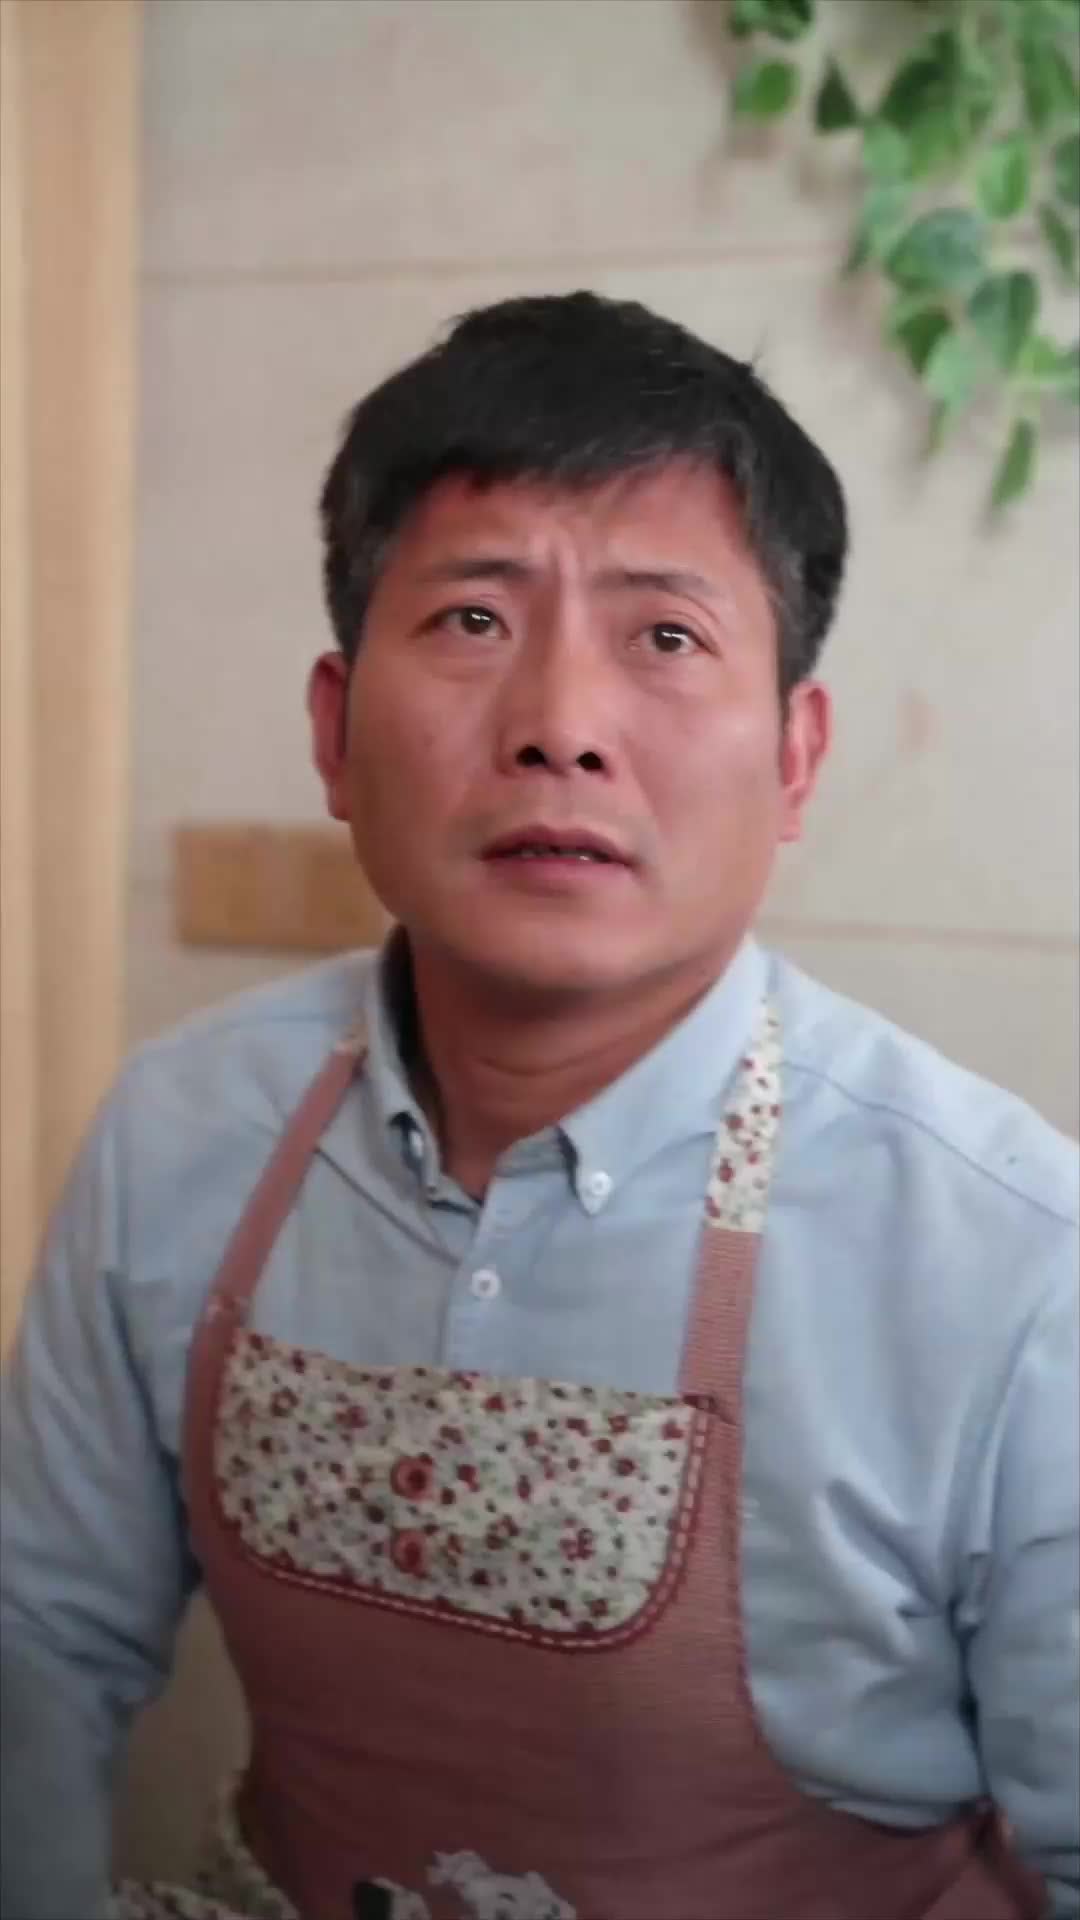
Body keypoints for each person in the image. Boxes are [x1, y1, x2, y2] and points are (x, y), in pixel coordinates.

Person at [1, 291, 1076, 1920]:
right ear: (333, 731)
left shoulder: (1014, 1260)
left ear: (794, 759)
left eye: (666, 638)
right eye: (471, 620)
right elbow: (35, 1641)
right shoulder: (178, 1132)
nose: (561, 729)